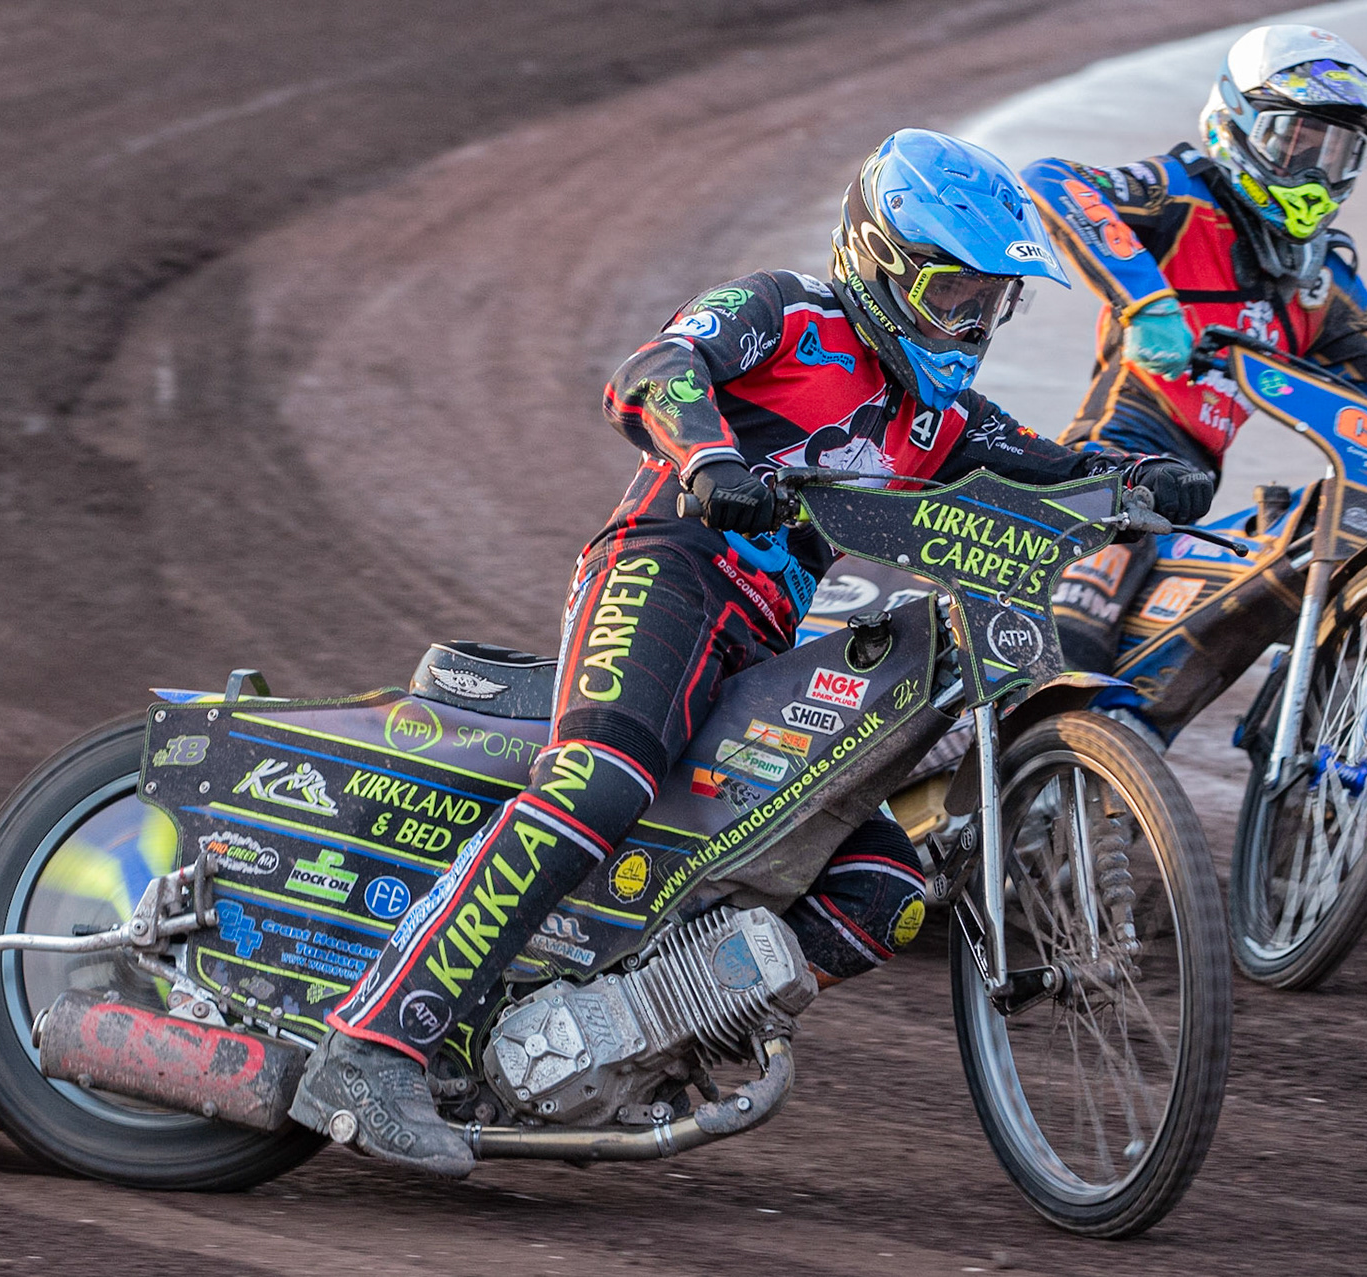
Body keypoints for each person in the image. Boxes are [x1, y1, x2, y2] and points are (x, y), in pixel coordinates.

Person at [289, 129, 1212, 1176]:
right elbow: (655, 370)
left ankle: (628, 1040)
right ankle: (368, 1045)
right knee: (602, 781)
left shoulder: (942, 417)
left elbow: (1047, 466)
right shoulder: (790, 313)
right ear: (883, 261)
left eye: (993, 303)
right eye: (956, 293)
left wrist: (1139, 483)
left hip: (768, 640)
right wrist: (712, 457)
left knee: (880, 885)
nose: (972, 324)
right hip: (666, 567)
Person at [1020, 24, 1367, 916]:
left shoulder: (1322, 281)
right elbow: (1052, 183)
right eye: (1298, 139)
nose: (1316, 170)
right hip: (1117, 455)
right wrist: (1147, 298)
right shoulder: (1177, 195)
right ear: (1236, 125)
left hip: (1197, 487)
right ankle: (1039, 805)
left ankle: (1320, 837)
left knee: (1317, 545)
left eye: (1339, 148)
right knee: (1098, 573)